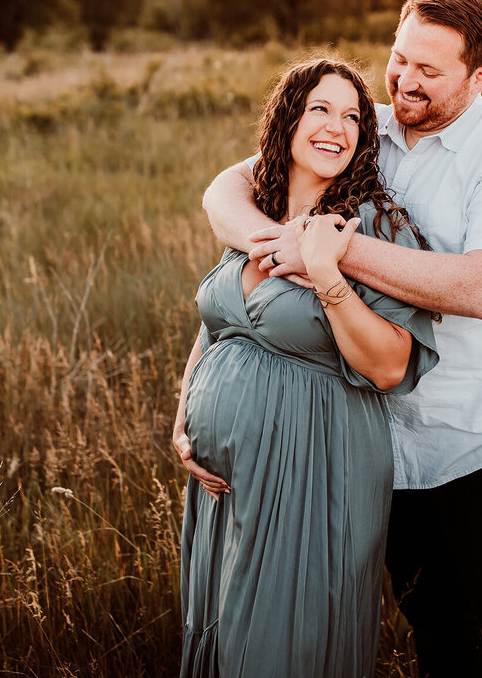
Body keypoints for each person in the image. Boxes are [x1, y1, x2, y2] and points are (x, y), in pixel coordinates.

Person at [202, 0, 482, 677]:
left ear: (480, 74)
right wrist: (271, 239)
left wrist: (330, 248)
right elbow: (225, 187)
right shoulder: (361, 126)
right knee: (438, 635)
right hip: (378, 448)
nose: (404, 80)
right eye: (400, 58)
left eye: (430, 70)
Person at [172, 57, 439, 678]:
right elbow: (217, 325)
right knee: (219, 630)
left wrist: (327, 277)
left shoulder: (376, 226)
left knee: (281, 646)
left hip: (316, 464)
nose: (336, 127)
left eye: (352, 116)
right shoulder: (255, 216)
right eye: (320, 108)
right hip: (223, 486)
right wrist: (184, 421)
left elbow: (389, 365)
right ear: (288, 119)